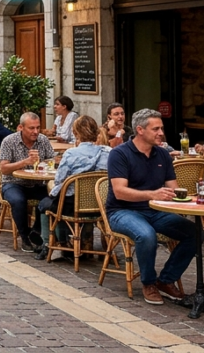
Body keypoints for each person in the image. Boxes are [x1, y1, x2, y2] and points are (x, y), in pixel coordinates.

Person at [106, 108, 195, 304]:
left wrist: (189, 197)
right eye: (156, 129)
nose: (161, 133)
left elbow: (174, 188)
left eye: (161, 128)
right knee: (146, 235)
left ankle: (166, 280)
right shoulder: (119, 154)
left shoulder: (163, 154)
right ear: (140, 130)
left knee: (195, 233)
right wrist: (152, 194)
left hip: (156, 211)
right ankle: (148, 283)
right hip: (122, 211)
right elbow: (120, 191)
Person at [33, 115, 110, 259]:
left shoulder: (71, 154)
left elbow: (59, 179)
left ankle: (48, 245)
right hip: (100, 206)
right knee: (54, 201)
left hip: (72, 207)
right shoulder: (108, 153)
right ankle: (71, 243)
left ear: (75, 133)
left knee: (45, 204)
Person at [0, 112, 56, 252]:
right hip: (14, 182)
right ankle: (25, 237)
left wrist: (44, 164)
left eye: (38, 127)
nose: (35, 131)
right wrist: (25, 162)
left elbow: (52, 161)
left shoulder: (43, 140)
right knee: (18, 201)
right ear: (21, 127)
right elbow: (4, 169)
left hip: (38, 183)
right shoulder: (9, 141)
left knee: (52, 200)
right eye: (31, 128)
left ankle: (35, 232)